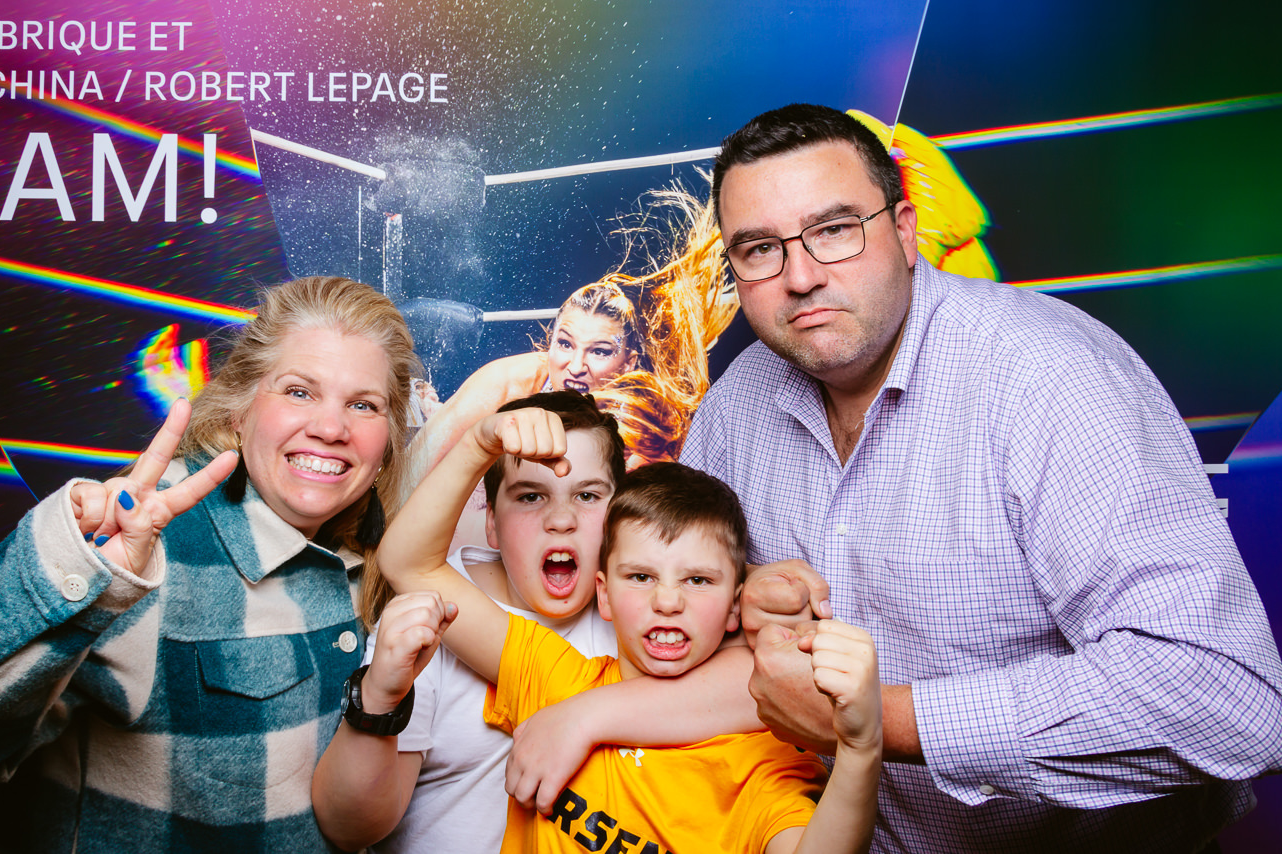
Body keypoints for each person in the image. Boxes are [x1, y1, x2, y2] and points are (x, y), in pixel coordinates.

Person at [680, 103, 1282, 851]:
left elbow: (1227, 698)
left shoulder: (1050, 376)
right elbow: (662, 626)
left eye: (834, 230)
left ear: (906, 231)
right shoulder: (735, 407)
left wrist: (879, 721)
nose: (800, 277)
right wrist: (734, 609)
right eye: (759, 249)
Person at [0, 276, 424, 854]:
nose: (331, 428)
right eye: (299, 392)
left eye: (363, 405)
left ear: (388, 439)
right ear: (238, 409)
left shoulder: (377, 555)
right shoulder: (147, 548)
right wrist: (82, 571)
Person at [373, 405, 885, 853]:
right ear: (604, 594)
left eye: (698, 581)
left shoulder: (759, 759)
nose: (667, 601)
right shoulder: (555, 678)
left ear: (737, 606)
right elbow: (408, 564)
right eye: (641, 577)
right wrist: (479, 443)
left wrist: (861, 751)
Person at [311, 390, 625, 852]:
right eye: (531, 496)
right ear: (491, 522)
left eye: (588, 495)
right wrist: (378, 699)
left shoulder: (645, 614)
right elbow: (350, 828)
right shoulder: (435, 611)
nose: (562, 520)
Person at [386, 184, 739, 515]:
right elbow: (415, 469)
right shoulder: (514, 380)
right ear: (551, 342)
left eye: (599, 351)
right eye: (565, 344)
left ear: (628, 362)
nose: (576, 365)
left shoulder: (639, 420)